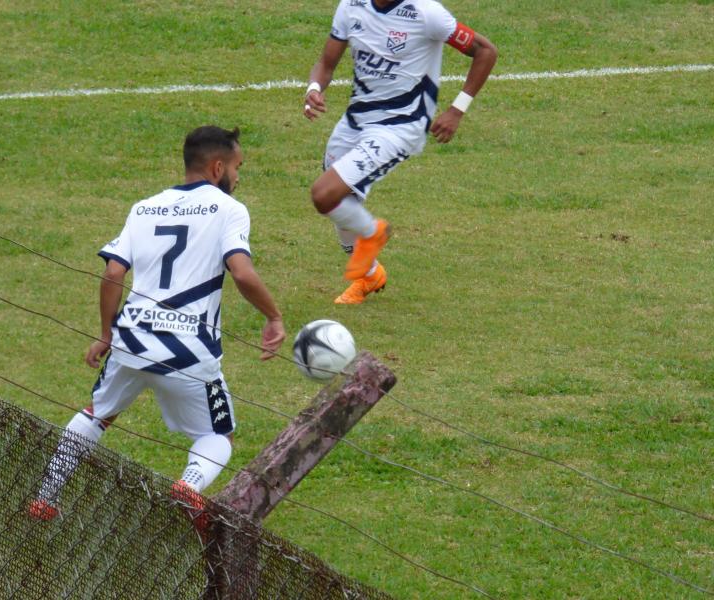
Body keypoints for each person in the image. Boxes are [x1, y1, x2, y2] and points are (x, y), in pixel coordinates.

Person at [29, 125, 285, 523]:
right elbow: (241, 273)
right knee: (217, 435)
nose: (238, 176)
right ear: (218, 167)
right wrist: (273, 316)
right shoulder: (228, 209)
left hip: (131, 342)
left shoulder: (144, 207)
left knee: (97, 412)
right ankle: (189, 485)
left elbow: (114, 274)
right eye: (237, 167)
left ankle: (45, 496)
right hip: (188, 350)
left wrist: (106, 333)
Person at [305, 0, 497, 304]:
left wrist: (457, 110)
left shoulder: (426, 13)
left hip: (399, 127)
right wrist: (314, 88)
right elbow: (326, 63)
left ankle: (373, 233)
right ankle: (370, 276)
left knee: (324, 194)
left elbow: (486, 51)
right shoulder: (351, 6)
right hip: (354, 121)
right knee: (341, 203)